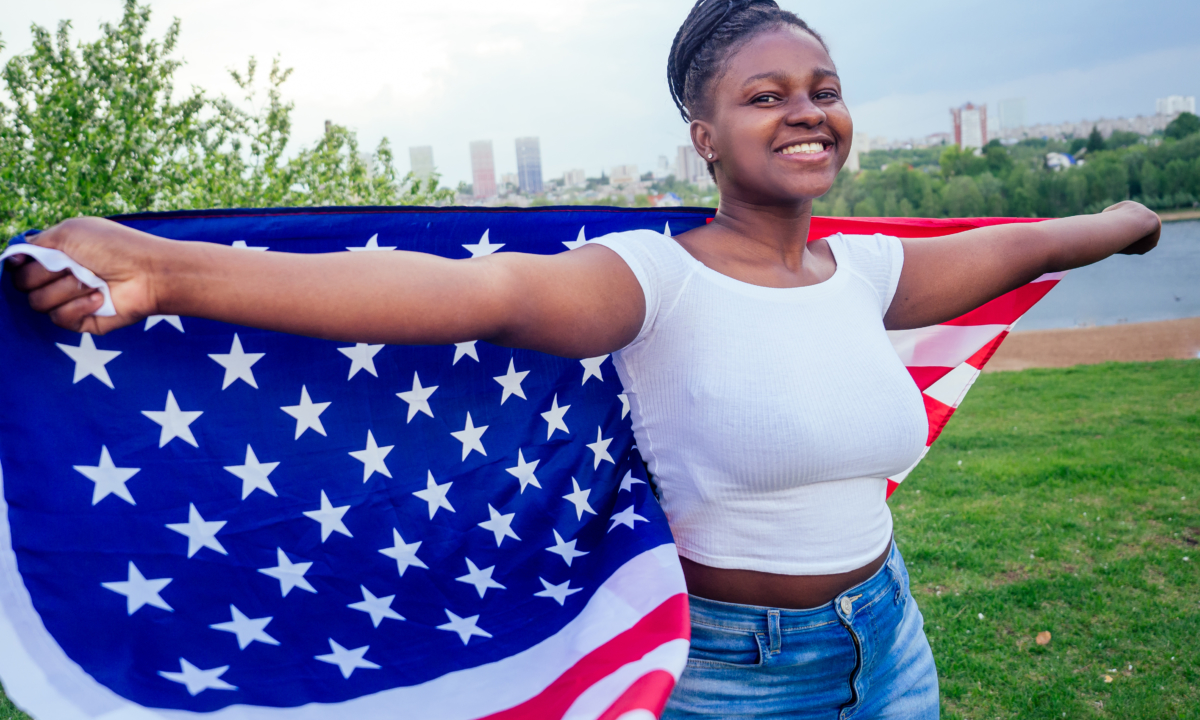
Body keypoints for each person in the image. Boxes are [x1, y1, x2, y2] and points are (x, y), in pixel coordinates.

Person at [6, 1, 1159, 717]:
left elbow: (1014, 242)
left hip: (889, 640)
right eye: (766, 97)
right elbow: (474, 295)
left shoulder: (861, 274)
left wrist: (1123, 219)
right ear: (706, 140)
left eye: (823, 90)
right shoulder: (652, 278)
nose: (807, 112)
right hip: (729, 676)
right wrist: (164, 269)